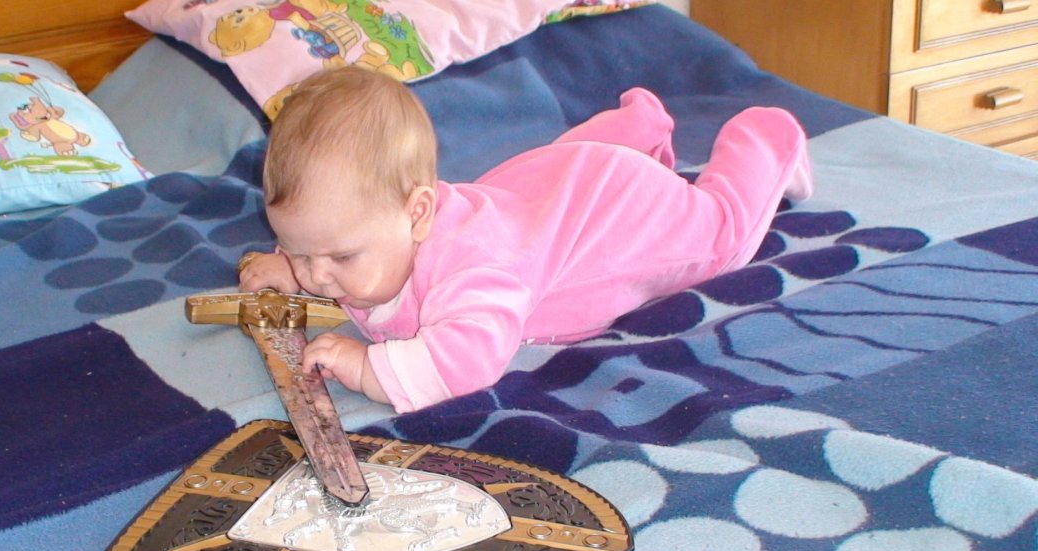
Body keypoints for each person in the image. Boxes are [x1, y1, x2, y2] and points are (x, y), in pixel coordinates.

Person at [238, 66, 812, 413]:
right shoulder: (361, 230)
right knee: (553, 176)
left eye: (339, 256)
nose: (317, 277)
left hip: (617, 212)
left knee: (722, 237)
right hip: (546, 188)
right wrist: (288, 266)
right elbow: (322, 246)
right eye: (299, 250)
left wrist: (367, 368)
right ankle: (633, 132)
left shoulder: (472, 270)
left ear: (418, 215)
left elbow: (467, 360)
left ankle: (766, 137)